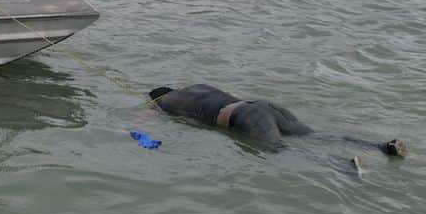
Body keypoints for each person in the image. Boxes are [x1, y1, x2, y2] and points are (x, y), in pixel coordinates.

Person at [148, 84, 408, 156]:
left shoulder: (166, 104)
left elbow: (191, 125)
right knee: (313, 135)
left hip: (244, 117)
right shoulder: (196, 86)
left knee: (277, 149)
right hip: (262, 105)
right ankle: (381, 147)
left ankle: (340, 167)